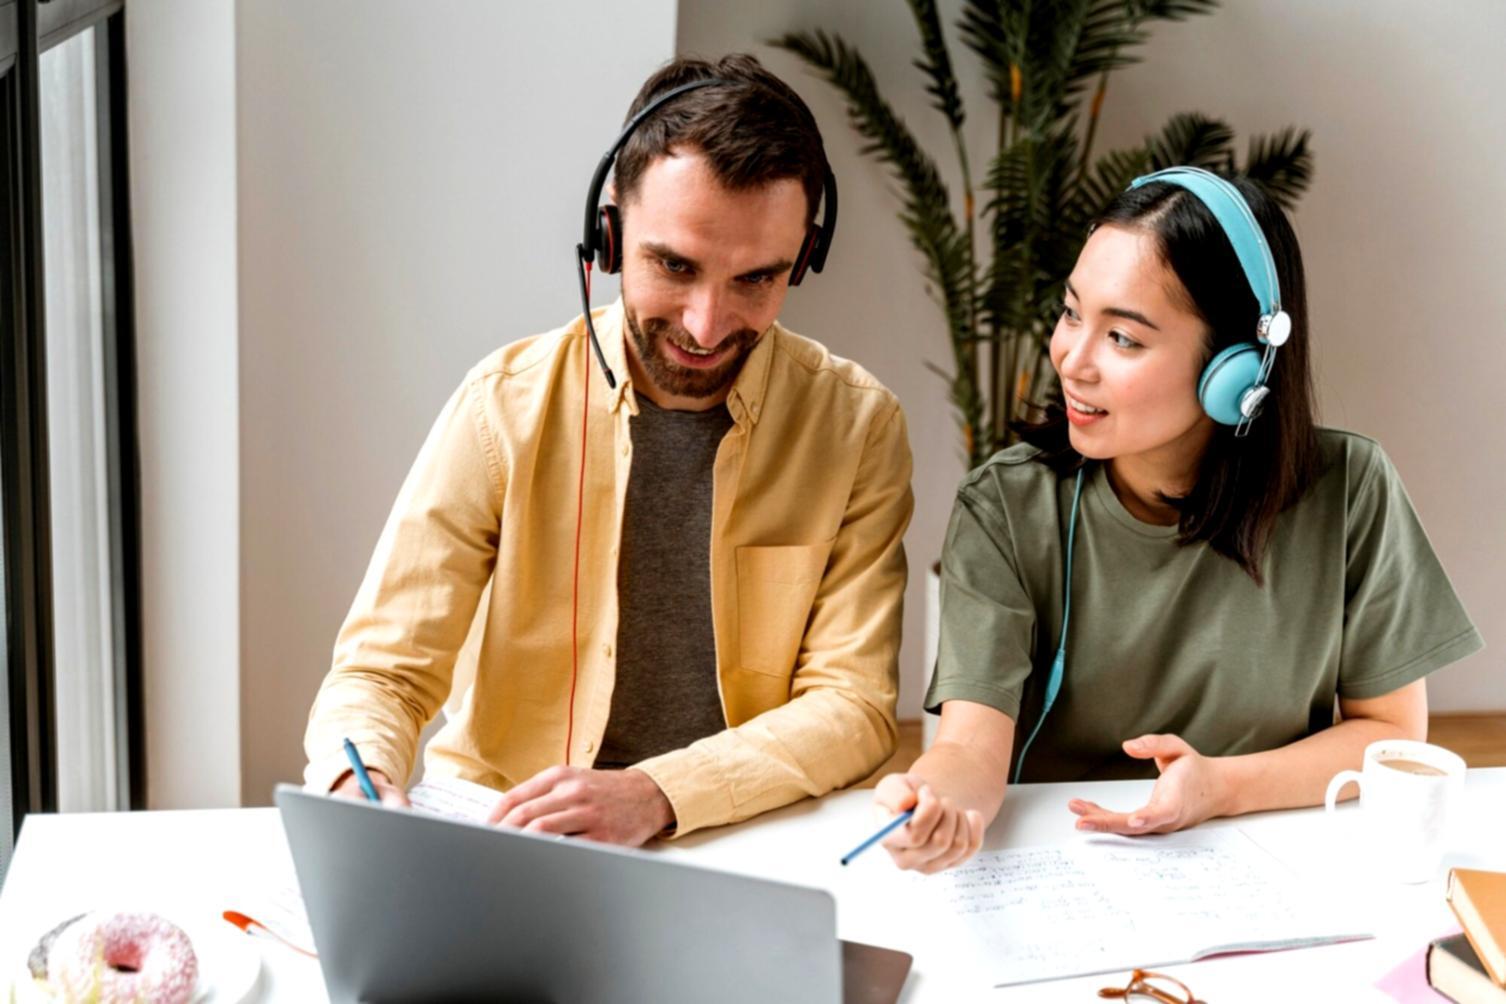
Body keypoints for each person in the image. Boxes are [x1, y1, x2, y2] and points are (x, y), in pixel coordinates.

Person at [303, 54, 913, 845]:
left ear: (802, 259)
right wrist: (360, 778)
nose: (706, 323)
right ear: (610, 233)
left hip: (746, 838)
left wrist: (656, 792)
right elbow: (382, 671)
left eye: (756, 279)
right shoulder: (502, 406)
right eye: (675, 266)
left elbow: (855, 704)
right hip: (513, 835)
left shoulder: (857, 426)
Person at [874, 167, 1483, 873]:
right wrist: (934, 802)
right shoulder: (1005, 507)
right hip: (1063, 867)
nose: (1072, 360)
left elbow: (1390, 731)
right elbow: (971, 749)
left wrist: (1220, 787)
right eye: (1072, 313)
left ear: (1236, 369)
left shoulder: (1350, 490)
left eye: (1123, 339)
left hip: (1273, 860)